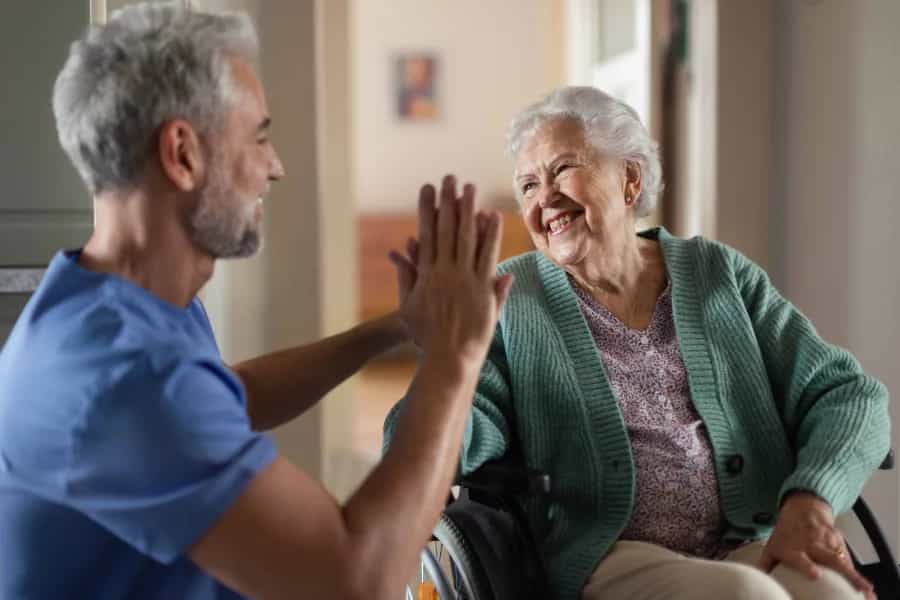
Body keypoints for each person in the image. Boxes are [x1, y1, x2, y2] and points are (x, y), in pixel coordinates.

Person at [0, 4, 512, 599]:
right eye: (259, 135)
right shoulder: (124, 375)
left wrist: (396, 327)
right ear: (183, 154)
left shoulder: (116, 304)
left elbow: (226, 395)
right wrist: (455, 357)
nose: (276, 167)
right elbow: (356, 578)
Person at [384, 86, 891, 600]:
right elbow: (421, 444)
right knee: (745, 596)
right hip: (608, 557)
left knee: (830, 593)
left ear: (630, 179)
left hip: (749, 537)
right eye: (528, 185)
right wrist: (447, 362)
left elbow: (850, 395)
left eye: (562, 170)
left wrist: (810, 501)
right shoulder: (510, 301)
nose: (544, 199)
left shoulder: (717, 273)